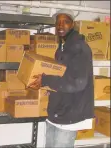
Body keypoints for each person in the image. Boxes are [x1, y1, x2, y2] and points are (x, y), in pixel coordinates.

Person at [28, 9, 94, 148]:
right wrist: (50, 88)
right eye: (58, 22)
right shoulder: (62, 48)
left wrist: (46, 81)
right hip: (57, 112)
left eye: (65, 22)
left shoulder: (79, 48)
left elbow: (77, 83)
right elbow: (62, 76)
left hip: (69, 115)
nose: (60, 25)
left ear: (73, 25)